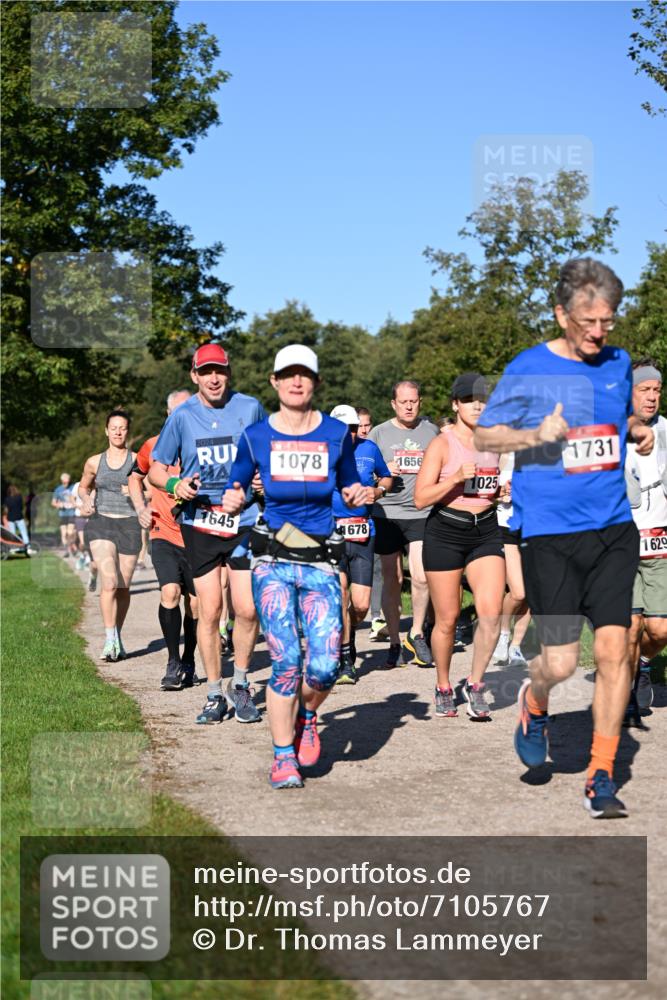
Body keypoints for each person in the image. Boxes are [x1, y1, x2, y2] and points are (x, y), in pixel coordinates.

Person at [474, 257, 654, 819]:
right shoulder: (529, 368)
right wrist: (535, 434)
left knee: (615, 649)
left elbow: (615, 417)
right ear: (561, 314)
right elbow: (485, 434)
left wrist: (636, 429)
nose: (599, 333)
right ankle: (534, 703)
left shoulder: (618, 363)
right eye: (587, 321)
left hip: (612, 531)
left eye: (608, 321)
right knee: (557, 662)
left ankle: (601, 775)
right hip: (550, 537)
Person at [223, 344, 365, 789]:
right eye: (288, 374)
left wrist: (357, 493)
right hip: (273, 559)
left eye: (304, 374)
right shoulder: (256, 436)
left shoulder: (336, 434)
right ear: (275, 381)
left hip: (321, 560)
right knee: (285, 661)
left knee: (325, 666)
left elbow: (349, 483)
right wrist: (234, 496)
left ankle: (307, 715)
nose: (296, 381)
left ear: (316, 382)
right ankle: (283, 756)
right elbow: (236, 482)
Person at [149, 343, 265, 725]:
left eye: (220, 371)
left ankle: (241, 684)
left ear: (229, 373)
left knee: (247, 608)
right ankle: (215, 693)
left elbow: (270, 454)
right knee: (210, 610)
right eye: (206, 371)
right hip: (200, 522)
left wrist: (264, 480)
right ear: (194, 375)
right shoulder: (182, 416)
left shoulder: (250, 408)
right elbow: (156, 469)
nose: (214, 378)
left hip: (243, 519)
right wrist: (176, 484)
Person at [415, 372, 504, 720]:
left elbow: (487, 488)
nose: (477, 406)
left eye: (482, 399)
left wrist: (498, 492)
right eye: (469, 400)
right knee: (448, 620)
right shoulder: (442, 444)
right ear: (455, 405)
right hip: (446, 532)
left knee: (491, 613)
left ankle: (476, 683)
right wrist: (453, 478)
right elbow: (421, 498)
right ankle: (443, 685)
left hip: (486, 531)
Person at [128, 389, 201, 692]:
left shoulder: (205, 445)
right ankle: (172, 662)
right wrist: (140, 509)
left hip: (198, 535)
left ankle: (189, 659)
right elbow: (135, 476)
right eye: (178, 412)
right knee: (170, 592)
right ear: (169, 415)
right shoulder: (153, 445)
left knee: (196, 603)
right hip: (163, 532)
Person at [369, 381, 438, 667]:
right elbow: (364, 473)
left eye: (413, 401)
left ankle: (417, 633)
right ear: (393, 404)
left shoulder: (432, 432)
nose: (409, 406)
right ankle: (395, 641)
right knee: (393, 579)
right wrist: (381, 474)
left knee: (421, 577)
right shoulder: (378, 433)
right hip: (387, 513)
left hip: (421, 512)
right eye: (403, 402)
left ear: (420, 402)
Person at [330, 405, 392, 684]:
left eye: (354, 428)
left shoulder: (369, 449)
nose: (351, 434)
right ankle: (345, 660)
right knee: (341, 595)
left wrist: (379, 490)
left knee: (361, 606)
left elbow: (387, 476)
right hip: (332, 532)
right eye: (345, 429)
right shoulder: (323, 452)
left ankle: (348, 634)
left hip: (363, 531)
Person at [78, 411, 142, 661]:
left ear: (127, 431)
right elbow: (83, 487)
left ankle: (117, 635)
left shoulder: (138, 460)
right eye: (113, 427)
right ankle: (108, 639)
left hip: (129, 524)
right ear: (106, 431)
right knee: (110, 583)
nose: (117, 432)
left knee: (123, 587)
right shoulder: (94, 462)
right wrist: (86, 501)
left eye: (122, 428)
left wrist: (136, 493)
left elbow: (152, 491)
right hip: (101, 522)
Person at [625, 359, 667, 719]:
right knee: (630, 625)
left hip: (659, 544)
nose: (652, 396)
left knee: (661, 629)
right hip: (619, 546)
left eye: (657, 390)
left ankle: (641, 661)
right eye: (644, 389)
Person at [492, 452, 531, 668]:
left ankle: (516, 646)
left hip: (538, 526)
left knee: (531, 593)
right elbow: (487, 492)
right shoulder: (504, 454)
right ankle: (503, 634)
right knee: (518, 592)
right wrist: (500, 495)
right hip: (508, 524)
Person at [51, 473, 77, 557]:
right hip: (62, 514)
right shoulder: (58, 489)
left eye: (68, 482)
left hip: (71, 513)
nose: (66, 483)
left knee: (70, 532)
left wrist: (74, 504)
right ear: (62, 481)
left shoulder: (73, 487)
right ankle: (67, 550)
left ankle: (72, 545)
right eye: (65, 482)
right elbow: (53, 503)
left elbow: (77, 499)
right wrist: (58, 505)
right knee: (64, 533)